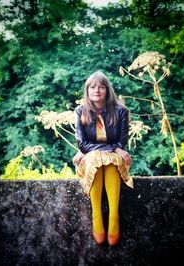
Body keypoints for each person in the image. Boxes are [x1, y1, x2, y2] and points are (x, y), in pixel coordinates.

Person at [73, 70, 134, 246]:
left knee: (110, 160)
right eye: (92, 87)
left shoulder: (121, 111)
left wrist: (115, 149)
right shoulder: (80, 111)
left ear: (107, 90)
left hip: (113, 161)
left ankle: (114, 216)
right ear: (87, 90)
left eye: (101, 87)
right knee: (96, 159)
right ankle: (96, 215)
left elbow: (122, 142)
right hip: (90, 159)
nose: (97, 90)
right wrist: (113, 148)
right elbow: (83, 145)